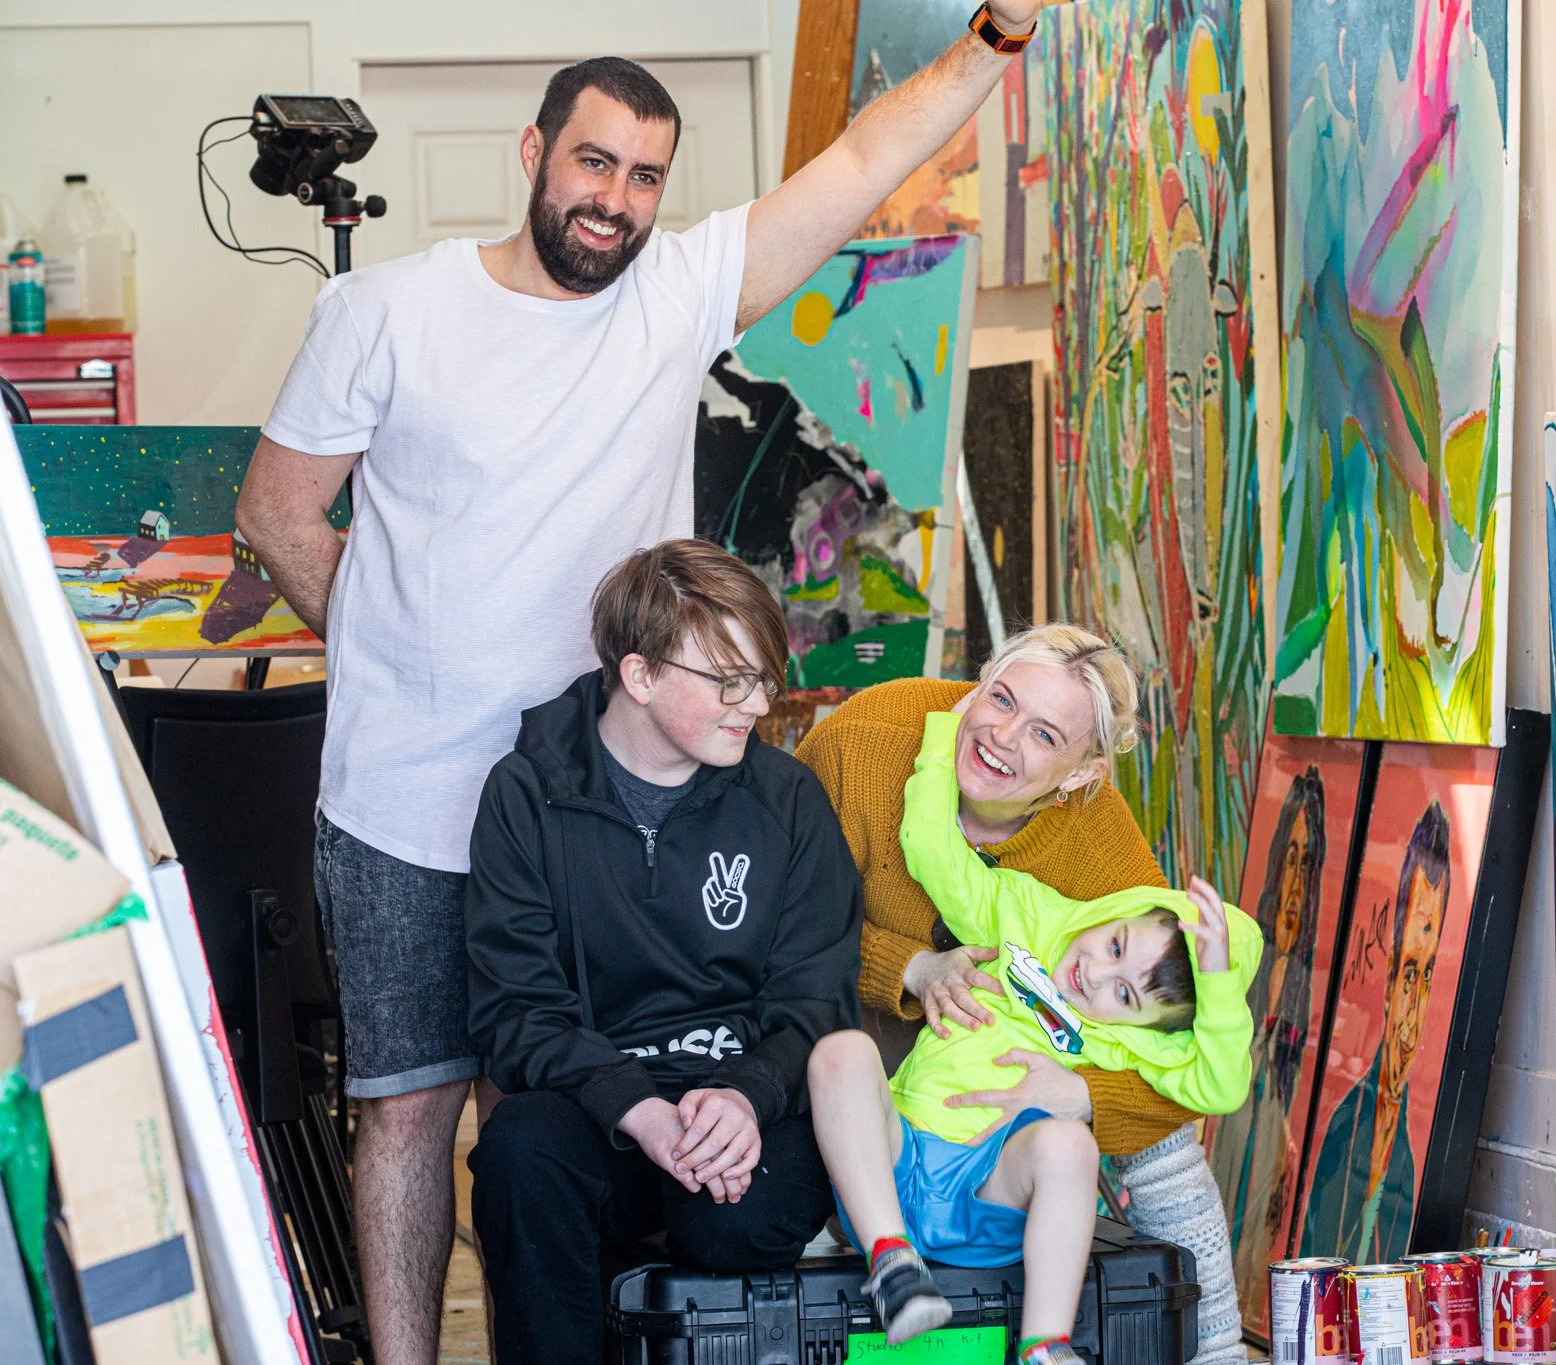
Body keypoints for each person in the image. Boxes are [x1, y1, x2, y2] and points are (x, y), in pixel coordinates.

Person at [236, 9, 1047, 1356]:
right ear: (535, 152)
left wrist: (997, 36)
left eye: (643, 176)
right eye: (593, 164)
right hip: (405, 800)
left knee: (542, 1120)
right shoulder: (383, 310)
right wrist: (395, 647)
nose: (614, 200)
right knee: (407, 1108)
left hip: (598, 810)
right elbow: (278, 514)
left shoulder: (679, 290)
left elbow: (857, 162)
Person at [795, 624, 1250, 1360]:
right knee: (831, 1058)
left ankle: (1214, 1347)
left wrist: (1083, 1093)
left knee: (1157, 1136)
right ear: (980, 677)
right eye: (1000, 698)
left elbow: (1179, 1038)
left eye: (1043, 734)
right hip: (850, 1012)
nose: (1002, 737)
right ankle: (865, 1254)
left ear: (1080, 774)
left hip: (1004, 1097)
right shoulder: (867, 741)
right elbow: (776, 933)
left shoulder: (1098, 854)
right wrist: (906, 968)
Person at [463, 540, 861, 1363]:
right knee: (517, 1155)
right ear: (639, 676)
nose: (754, 704)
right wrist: (635, 1107)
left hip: (747, 1106)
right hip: (602, 1105)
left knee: (736, 1218)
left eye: (763, 679)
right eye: (728, 680)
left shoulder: (787, 802)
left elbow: (817, 999)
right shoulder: (526, 792)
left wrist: (747, 1095)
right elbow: (515, 1007)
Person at [1298, 802, 1453, 1265]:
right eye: (1408, 974)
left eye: (1426, 977)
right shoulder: (1347, 1129)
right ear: (1386, 986)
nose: (1411, 1017)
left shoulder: (1411, 1155)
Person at [1213, 765, 1326, 1318]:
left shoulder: (1310, 992)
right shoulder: (1242, 973)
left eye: (1310, 864)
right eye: (1290, 858)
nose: (1296, 883)